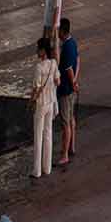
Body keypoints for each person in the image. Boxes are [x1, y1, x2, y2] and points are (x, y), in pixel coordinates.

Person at [28, 36, 57, 179]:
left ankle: (37, 170)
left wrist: (31, 101)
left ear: (43, 50)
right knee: (48, 134)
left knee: (38, 136)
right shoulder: (53, 63)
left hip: (41, 104)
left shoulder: (39, 67)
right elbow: (58, 81)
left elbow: (36, 88)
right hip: (51, 102)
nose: (36, 51)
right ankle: (47, 167)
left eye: (38, 49)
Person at [56, 18, 79, 165]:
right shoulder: (73, 43)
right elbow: (78, 60)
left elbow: (68, 69)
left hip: (65, 89)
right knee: (71, 119)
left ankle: (64, 155)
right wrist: (76, 82)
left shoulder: (65, 48)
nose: (57, 33)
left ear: (63, 32)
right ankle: (72, 147)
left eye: (58, 30)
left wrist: (72, 82)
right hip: (72, 88)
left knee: (65, 123)